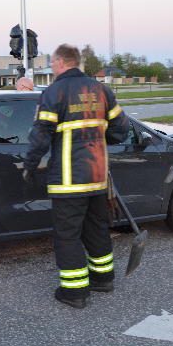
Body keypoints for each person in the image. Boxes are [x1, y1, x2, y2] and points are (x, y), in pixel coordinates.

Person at [23, 44, 128, 309]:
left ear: (60, 62)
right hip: (98, 178)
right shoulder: (102, 91)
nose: (52, 67)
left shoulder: (54, 92)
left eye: (53, 63)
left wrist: (30, 164)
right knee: (96, 229)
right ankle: (104, 278)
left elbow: (41, 134)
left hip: (68, 181)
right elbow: (121, 130)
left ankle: (75, 292)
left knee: (67, 235)